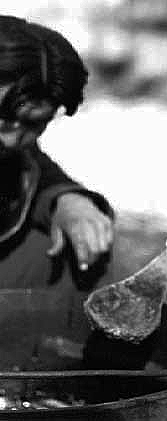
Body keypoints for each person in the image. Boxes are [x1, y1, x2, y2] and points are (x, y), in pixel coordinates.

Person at [0, 16, 113, 300]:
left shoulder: (12, 147)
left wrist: (66, 201)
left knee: (81, 244)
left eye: (35, 124)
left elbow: (29, 167)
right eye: (3, 121)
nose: (13, 140)